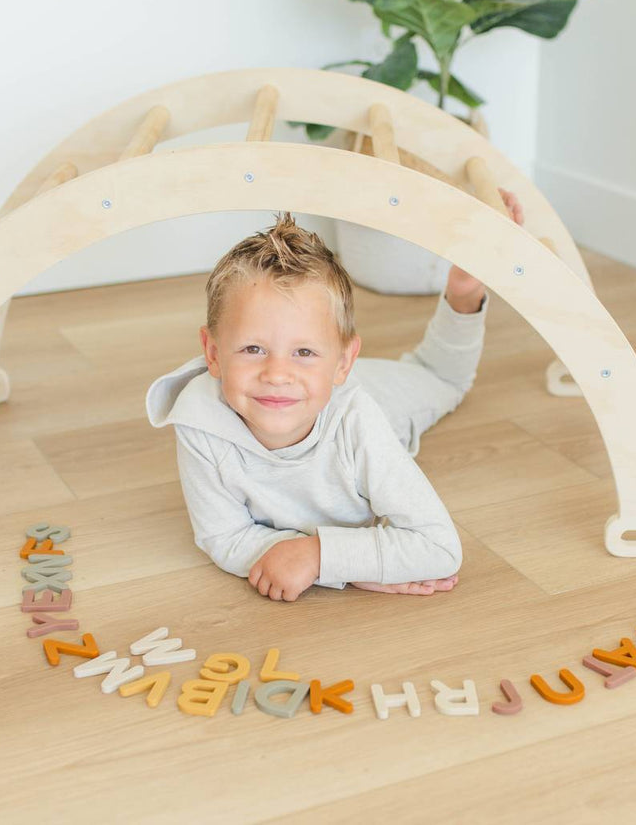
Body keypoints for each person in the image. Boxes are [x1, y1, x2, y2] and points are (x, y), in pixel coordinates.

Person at [144, 191, 524, 602]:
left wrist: (319, 556)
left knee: (440, 377)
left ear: (344, 363)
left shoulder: (358, 420)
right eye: (253, 349)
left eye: (303, 351)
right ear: (213, 354)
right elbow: (223, 535)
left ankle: (464, 290)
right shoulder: (198, 418)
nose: (277, 375)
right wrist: (344, 568)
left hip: (379, 396)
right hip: (322, 386)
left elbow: (439, 549)